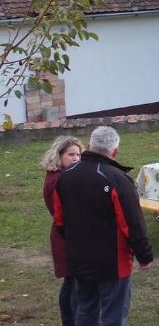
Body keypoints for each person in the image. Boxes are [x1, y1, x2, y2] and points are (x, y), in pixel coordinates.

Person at [53, 126, 153, 326]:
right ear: (115, 151)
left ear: (89, 145)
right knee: (112, 314)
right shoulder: (118, 180)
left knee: (86, 310)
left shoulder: (65, 177)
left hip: (79, 258)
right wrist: (144, 255)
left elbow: (59, 221)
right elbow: (132, 223)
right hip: (113, 263)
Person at [41, 135, 83, 326]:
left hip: (66, 234)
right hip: (67, 236)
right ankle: (71, 321)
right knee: (74, 283)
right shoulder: (60, 179)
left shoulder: (62, 175)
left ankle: (70, 320)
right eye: (70, 154)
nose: (75, 158)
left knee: (71, 281)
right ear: (59, 156)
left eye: (78, 154)